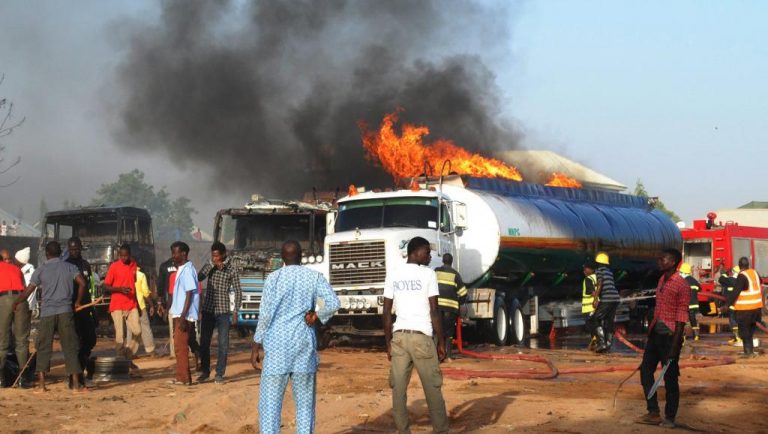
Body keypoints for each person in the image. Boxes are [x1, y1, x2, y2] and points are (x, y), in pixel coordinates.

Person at [251, 240, 340, 434]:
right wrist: (316, 315)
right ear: (301, 256)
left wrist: (256, 344)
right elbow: (333, 302)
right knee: (305, 405)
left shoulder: (273, 279)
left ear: (282, 258)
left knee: (269, 405)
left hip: (277, 347)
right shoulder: (313, 277)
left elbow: (265, 314)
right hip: (303, 345)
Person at [383, 237, 449, 434]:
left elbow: (386, 312)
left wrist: (388, 343)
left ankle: (403, 431)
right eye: (427, 252)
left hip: (399, 338)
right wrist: (442, 342)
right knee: (432, 389)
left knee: (398, 391)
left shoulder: (393, 274)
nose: (430, 256)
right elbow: (434, 311)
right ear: (415, 252)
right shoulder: (428, 274)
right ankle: (441, 431)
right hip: (422, 338)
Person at [13, 241, 87, 392]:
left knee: (43, 347)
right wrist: (78, 302)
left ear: (47, 254)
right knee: (70, 347)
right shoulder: (69, 267)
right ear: (60, 252)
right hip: (66, 311)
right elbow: (83, 284)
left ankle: (41, 385)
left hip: (47, 313)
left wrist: (16, 302)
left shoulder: (41, 270)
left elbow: (28, 291)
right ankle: (76, 384)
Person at [639, 248, 689, 428]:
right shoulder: (661, 280)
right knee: (645, 371)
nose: (659, 261)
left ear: (674, 261)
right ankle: (653, 412)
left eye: (663, 259)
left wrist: (675, 347)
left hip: (669, 337)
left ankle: (670, 417)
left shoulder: (681, 284)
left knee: (670, 379)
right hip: (655, 334)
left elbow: (681, 318)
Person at [197, 241, 242, 384]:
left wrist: (235, 311)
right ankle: (205, 372)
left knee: (223, 344)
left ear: (223, 254)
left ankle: (219, 374)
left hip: (223, 311)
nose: (215, 258)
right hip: (208, 310)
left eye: (217, 255)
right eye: (213, 255)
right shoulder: (209, 266)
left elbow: (238, 291)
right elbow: (199, 277)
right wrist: (211, 265)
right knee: (204, 342)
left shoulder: (232, 270)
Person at [64, 237, 98, 387]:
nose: (74, 251)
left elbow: (88, 288)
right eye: (71, 249)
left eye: (76, 249)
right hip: (71, 309)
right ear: (68, 249)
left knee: (90, 340)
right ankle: (75, 377)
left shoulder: (85, 265)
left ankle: (81, 369)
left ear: (80, 248)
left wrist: (92, 310)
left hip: (85, 308)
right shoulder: (65, 265)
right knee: (75, 344)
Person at [169, 241, 199, 385]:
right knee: (179, 346)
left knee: (181, 347)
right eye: (172, 253)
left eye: (175, 253)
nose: (173, 256)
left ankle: (184, 378)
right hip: (180, 313)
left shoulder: (187, 270)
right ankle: (181, 376)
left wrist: (182, 316)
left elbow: (189, 293)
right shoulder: (182, 269)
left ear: (183, 254)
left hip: (184, 315)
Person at [103, 244, 141, 359]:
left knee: (138, 331)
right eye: (122, 256)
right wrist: (120, 289)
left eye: (126, 256)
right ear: (119, 255)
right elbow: (106, 286)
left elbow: (133, 283)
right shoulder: (114, 267)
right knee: (120, 335)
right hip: (117, 304)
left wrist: (138, 303)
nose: (124, 258)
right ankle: (120, 358)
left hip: (131, 303)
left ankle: (129, 353)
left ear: (130, 255)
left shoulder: (134, 265)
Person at [0, 249, 30, 388]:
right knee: (22, 340)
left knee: (2, 340)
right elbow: (23, 286)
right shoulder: (16, 268)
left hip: (5, 298)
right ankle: (22, 379)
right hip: (21, 299)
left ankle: (1, 379)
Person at [434, 253, 467, 360]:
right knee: (448, 332)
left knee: (436, 330)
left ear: (443, 261)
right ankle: (448, 355)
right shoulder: (455, 274)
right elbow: (463, 293)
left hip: (437, 307)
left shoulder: (436, 272)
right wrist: (459, 303)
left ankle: (435, 356)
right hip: (450, 308)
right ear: (451, 261)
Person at [729, 257, 763, 357]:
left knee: (744, 331)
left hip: (745, 310)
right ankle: (750, 351)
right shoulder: (754, 272)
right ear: (748, 264)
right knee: (750, 331)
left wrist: (727, 305)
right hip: (757, 308)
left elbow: (736, 291)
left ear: (739, 265)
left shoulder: (742, 276)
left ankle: (748, 352)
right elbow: (759, 282)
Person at [592, 252, 620, 353]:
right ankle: (608, 344)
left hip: (607, 298)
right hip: (615, 298)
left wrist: (595, 298)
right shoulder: (609, 271)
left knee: (595, 319)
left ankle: (602, 343)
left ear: (598, 262)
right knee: (609, 322)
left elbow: (600, 283)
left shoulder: (599, 270)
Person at [135, 266, 156, 356]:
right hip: (140, 305)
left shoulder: (123, 274)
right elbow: (145, 292)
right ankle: (150, 349)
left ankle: (130, 351)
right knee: (145, 327)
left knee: (130, 329)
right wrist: (151, 305)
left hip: (128, 306)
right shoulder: (140, 275)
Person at [678, 263, 701, 341]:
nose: (679, 274)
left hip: (686, 304)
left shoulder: (682, 281)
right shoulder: (694, 280)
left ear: (684, 273)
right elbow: (699, 288)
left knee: (685, 320)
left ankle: (684, 336)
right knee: (693, 319)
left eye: (680, 272)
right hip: (694, 304)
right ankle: (696, 336)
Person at [719, 265, 741, 344]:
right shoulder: (740, 281)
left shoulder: (730, 280)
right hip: (739, 304)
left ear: (733, 272)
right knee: (737, 320)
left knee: (733, 320)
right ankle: (736, 337)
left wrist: (724, 273)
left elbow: (721, 279)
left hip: (731, 304)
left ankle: (737, 337)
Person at [581, 260, 599, 350]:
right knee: (596, 325)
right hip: (597, 307)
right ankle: (596, 341)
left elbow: (592, 292)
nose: (584, 270)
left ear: (591, 269)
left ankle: (595, 341)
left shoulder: (588, 279)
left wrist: (595, 300)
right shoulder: (598, 278)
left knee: (590, 325)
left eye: (585, 268)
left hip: (590, 308)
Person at [14, 247, 36, 316]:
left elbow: (27, 290)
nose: (14, 261)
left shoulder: (28, 273)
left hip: (24, 304)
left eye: (16, 259)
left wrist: (17, 303)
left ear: (20, 261)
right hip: (27, 305)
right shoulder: (31, 270)